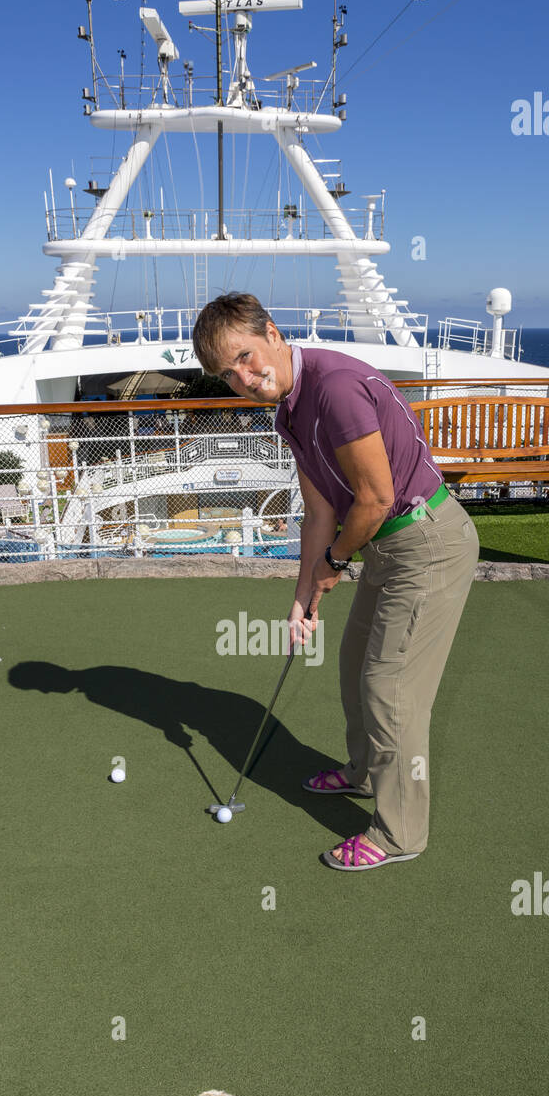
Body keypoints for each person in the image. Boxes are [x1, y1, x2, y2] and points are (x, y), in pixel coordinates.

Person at [191, 293, 479, 872]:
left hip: (425, 542)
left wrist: (336, 562)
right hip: (384, 546)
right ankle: (363, 774)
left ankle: (400, 835)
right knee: (354, 665)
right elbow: (319, 510)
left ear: (271, 332)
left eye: (246, 358)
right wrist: (303, 596)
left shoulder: (334, 388)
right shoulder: (290, 409)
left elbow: (374, 499)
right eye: (228, 374)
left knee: (389, 690)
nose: (245, 378)